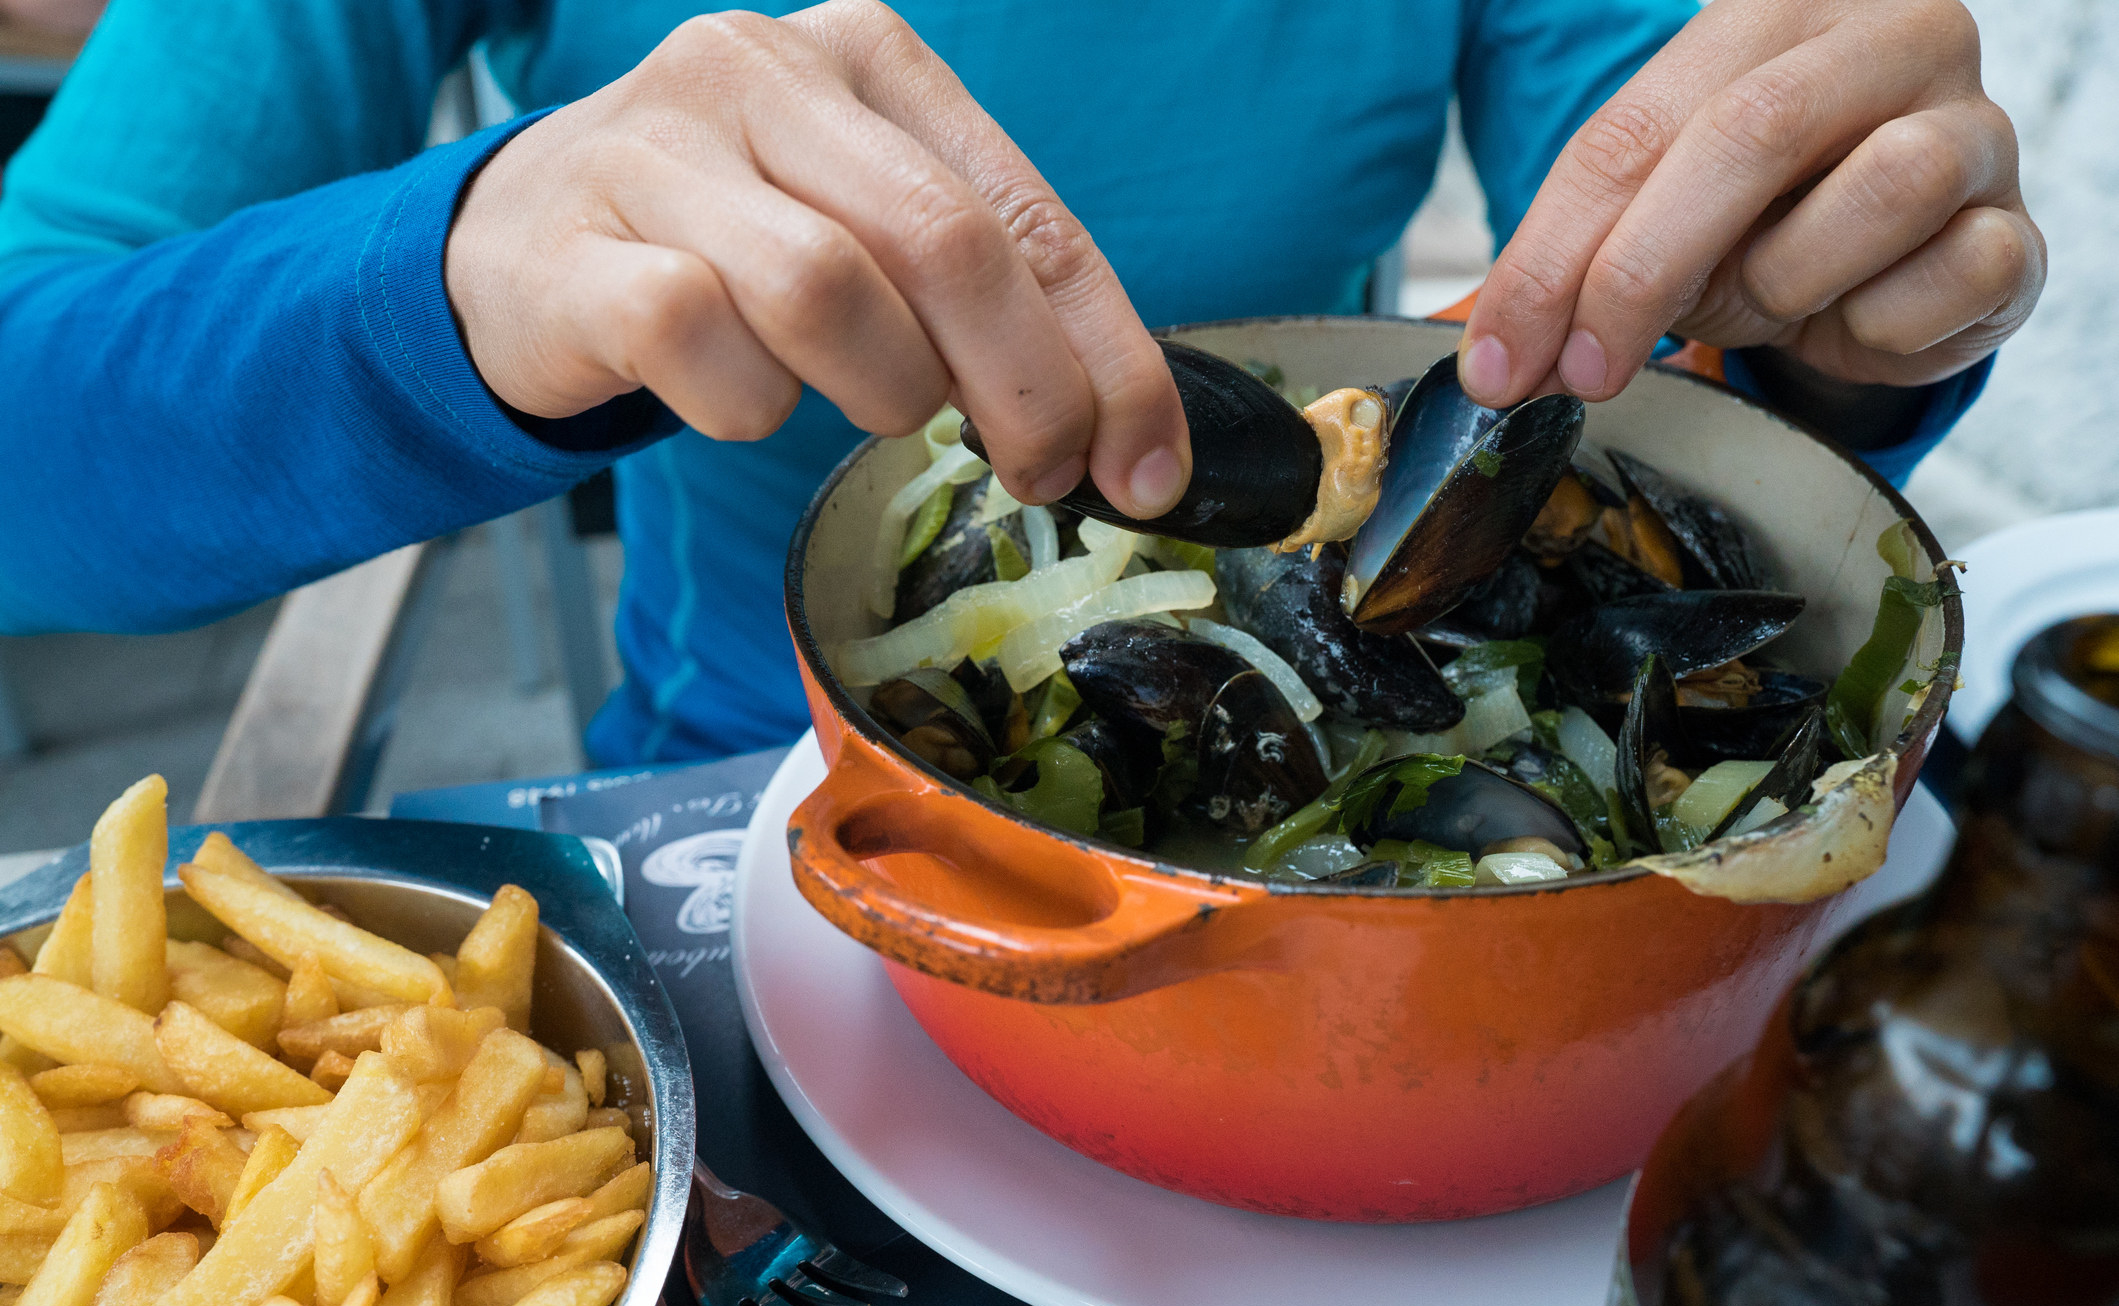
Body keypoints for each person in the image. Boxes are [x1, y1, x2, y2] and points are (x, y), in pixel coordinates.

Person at [0, 0, 2041, 768]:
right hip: (752, 802)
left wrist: (1825, 304)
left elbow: (1680, 330)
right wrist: (448, 273)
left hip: (1373, 796)